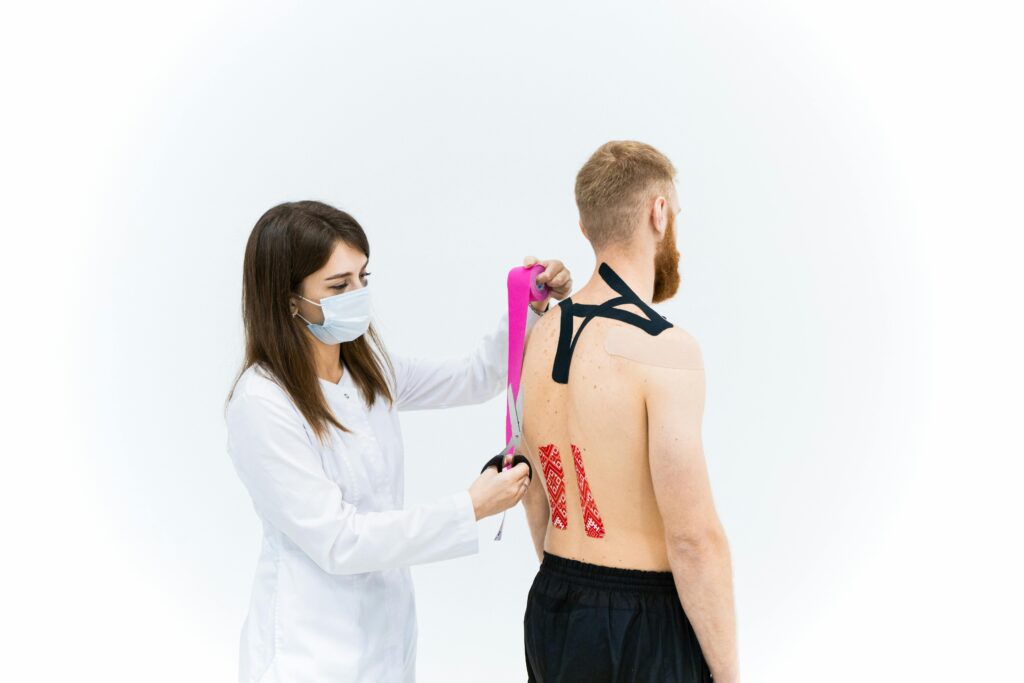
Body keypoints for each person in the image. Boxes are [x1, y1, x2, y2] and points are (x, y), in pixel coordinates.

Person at [224, 200, 572, 682]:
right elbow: (339, 541)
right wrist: (469, 507)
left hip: (385, 641)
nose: (358, 294)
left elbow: (475, 377)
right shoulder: (263, 404)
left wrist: (529, 308)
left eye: (363, 278)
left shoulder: (368, 371)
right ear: (288, 300)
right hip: (310, 654)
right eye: (339, 286)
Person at [518, 141, 739, 682]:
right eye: (676, 213)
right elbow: (693, 539)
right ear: (658, 212)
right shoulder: (664, 349)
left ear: (585, 227)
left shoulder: (541, 331)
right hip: (642, 625)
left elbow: (532, 487)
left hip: (553, 602)